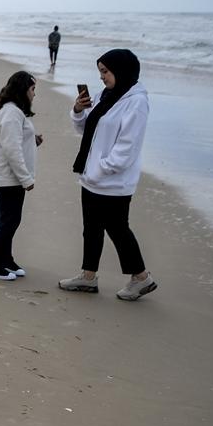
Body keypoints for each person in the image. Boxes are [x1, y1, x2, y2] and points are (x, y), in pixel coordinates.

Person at [58, 49, 157, 300]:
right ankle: (88, 277)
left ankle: (141, 278)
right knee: (90, 229)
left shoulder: (137, 102)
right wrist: (78, 111)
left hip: (113, 181)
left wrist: (100, 168)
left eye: (105, 71)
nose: (101, 77)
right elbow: (89, 130)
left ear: (121, 71)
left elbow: (127, 148)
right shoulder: (108, 94)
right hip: (92, 177)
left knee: (117, 229)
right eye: (100, 71)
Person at [0, 71, 42, 280]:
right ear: (22, 90)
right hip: (9, 178)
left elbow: (15, 141)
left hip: (8, 177)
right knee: (9, 221)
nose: (34, 94)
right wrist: (26, 179)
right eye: (32, 89)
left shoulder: (13, 112)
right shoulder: (11, 113)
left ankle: (5, 258)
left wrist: (32, 140)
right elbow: (11, 149)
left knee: (8, 219)